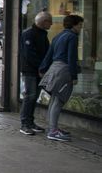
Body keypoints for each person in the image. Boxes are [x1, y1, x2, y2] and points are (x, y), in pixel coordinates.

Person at [39, 14, 83, 142]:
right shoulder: (72, 37)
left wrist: (43, 68)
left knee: (54, 99)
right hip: (64, 70)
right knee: (59, 100)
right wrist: (74, 75)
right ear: (74, 25)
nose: (81, 28)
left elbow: (49, 54)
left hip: (54, 68)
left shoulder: (59, 35)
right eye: (80, 25)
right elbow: (71, 57)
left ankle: (52, 128)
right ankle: (53, 131)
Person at [19, 10, 52, 136]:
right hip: (30, 70)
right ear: (44, 22)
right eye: (50, 22)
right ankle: (24, 124)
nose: (51, 25)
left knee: (34, 97)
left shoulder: (42, 34)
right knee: (30, 96)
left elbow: (46, 52)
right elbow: (29, 55)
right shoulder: (29, 34)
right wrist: (41, 67)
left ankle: (30, 122)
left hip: (39, 70)